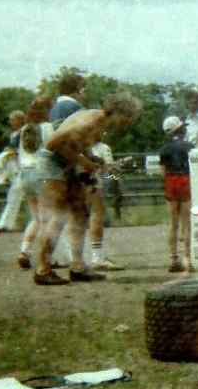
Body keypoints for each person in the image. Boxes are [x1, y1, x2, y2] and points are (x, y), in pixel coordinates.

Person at [34, 93, 141, 285]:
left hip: (66, 162)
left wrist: (90, 157)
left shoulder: (99, 122)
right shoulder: (92, 120)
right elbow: (53, 143)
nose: (129, 122)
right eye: (129, 116)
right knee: (59, 214)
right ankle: (42, 269)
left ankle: (78, 266)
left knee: (80, 213)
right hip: (52, 163)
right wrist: (84, 161)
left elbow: (77, 143)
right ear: (119, 111)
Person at [16, 96, 54, 269]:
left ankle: (24, 250)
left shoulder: (24, 129)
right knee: (47, 219)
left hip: (25, 175)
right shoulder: (47, 127)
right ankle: (46, 258)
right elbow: (53, 147)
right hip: (41, 173)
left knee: (36, 218)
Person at [158, 116, 194, 273]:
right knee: (186, 222)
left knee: (173, 223)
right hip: (185, 179)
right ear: (179, 130)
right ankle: (187, 258)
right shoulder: (190, 146)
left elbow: (162, 172)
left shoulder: (164, 149)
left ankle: (173, 258)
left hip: (171, 180)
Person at [86, 138, 123, 270]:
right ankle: (97, 257)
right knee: (97, 214)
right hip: (95, 183)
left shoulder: (81, 144)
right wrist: (113, 177)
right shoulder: (104, 148)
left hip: (82, 181)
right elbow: (107, 169)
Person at [0, 110, 25, 231]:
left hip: (23, 166)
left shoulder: (24, 132)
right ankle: (7, 223)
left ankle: (6, 223)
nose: (11, 122)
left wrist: (15, 152)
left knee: (15, 193)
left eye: (13, 119)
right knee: (14, 194)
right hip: (15, 166)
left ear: (20, 120)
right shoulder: (13, 134)